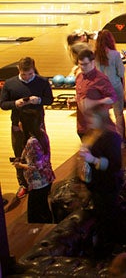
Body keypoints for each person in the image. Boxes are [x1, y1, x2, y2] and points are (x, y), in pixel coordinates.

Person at [0, 56, 53, 199]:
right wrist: (15, 103)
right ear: (19, 70)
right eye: (24, 74)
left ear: (33, 69)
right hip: (18, 124)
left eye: (30, 74)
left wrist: (39, 100)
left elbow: (50, 100)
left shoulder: (42, 81)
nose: (27, 77)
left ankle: (45, 181)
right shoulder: (10, 84)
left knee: (42, 152)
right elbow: (3, 104)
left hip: (37, 123)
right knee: (19, 153)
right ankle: (23, 184)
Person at [79, 108, 123, 248]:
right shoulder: (92, 134)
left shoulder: (111, 138)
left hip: (107, 185)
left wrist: (91, 159)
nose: (89, 121)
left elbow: (114, 165)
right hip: (95, 184)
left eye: (92, 118)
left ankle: (110, 247)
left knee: (107, 218)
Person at [12, 108, 54, 223]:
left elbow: (36, 167)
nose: (19, 123)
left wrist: (20, 165)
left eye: (20, 121)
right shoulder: (41, 133)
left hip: (38, 182)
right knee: (44, 209)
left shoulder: (32, 142)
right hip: (47, 178)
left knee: (34, 216)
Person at [75, 49, 117, 140]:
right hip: (82, 124)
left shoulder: (100, 79)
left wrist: (95, 102)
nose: (82, 67)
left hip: (97, 126)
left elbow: (113, 97)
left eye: (85, 64)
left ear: (93, 62)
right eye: (80, 64)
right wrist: (75, 100)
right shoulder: (79, 77)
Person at [95, 30, 126, 142]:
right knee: (118, 114)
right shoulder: (115, 54)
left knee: (104, 115)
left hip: (100, 88)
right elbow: (121, 72)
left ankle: (106, 140)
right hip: (115, 86)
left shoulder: (94, 55)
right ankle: (120, 140)